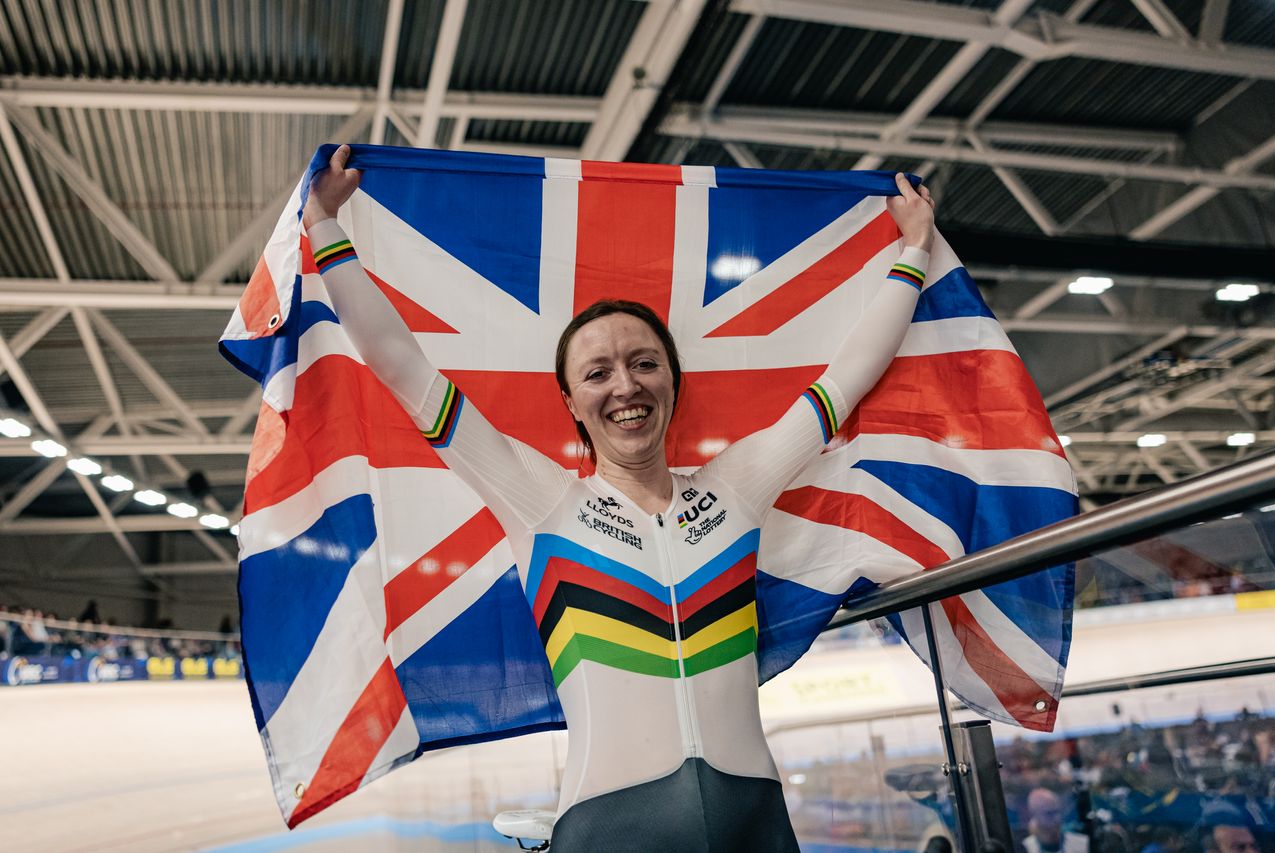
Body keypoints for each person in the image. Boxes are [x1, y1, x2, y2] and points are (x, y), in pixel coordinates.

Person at [303, 144, 935, 853]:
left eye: (644, 363)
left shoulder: (738, 485)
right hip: (610, 825)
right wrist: (326, 226)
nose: (625, 386)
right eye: (597, 372)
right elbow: (403, 366)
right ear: (572, 402)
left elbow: (846, 379)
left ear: (673, 381)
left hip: (755, 820)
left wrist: (913, 253)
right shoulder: (538, 499)